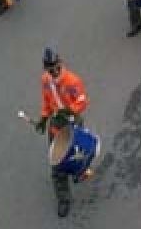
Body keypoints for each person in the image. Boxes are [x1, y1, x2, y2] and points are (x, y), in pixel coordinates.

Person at [35, 48, 89, 218]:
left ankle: (78, 171)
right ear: (46, 69)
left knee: (76, 155)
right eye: (51, 69)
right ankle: (63, 199)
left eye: (56, 67)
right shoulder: (45, 80)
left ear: (61, 63)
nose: (55, 72)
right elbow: (46, 100)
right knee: (57, 163)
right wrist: (44, 118)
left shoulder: (72, 81)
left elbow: (82, 101)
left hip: (72, 122)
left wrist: (70, 111)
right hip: (56, 125)